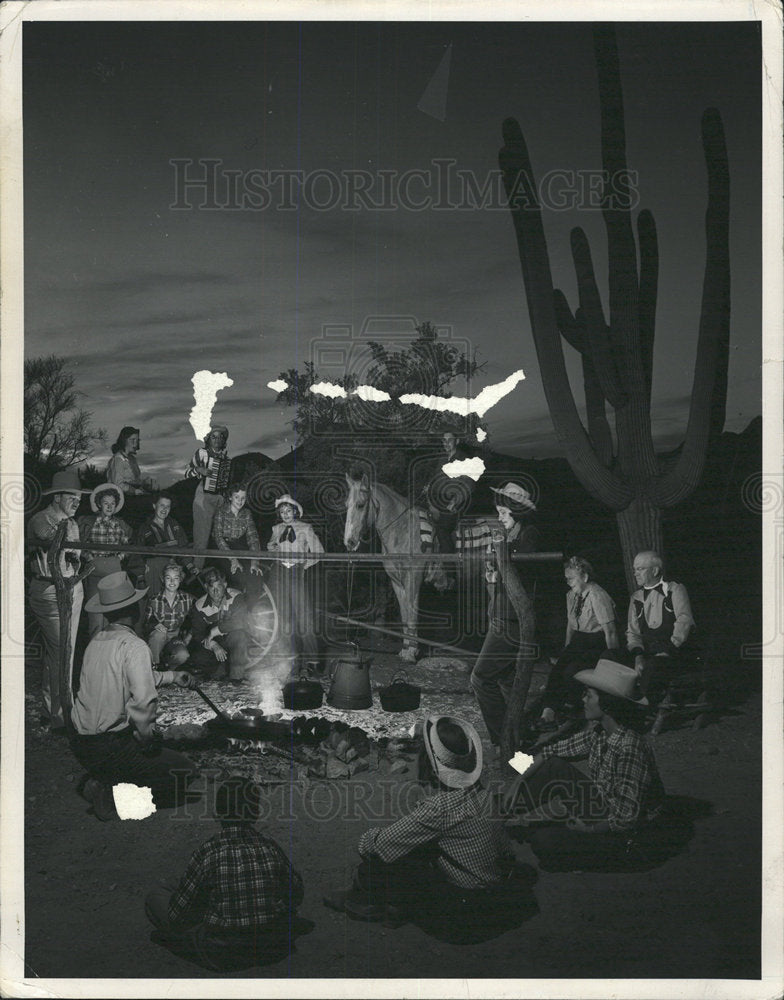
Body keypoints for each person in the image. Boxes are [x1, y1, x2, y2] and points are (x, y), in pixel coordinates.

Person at [324, 715, 534, 942]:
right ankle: (383, 902)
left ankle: (367, 900)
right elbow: (504, 851)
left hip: (462, 914)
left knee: (394, 856)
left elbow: (377, 846)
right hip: (493, 897)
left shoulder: (439, 808)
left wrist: (371, 838)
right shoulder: (484, 795)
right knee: (422, 845)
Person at [504, 658, 665, 872]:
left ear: (607, 705)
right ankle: (500, 815)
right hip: (603, 805)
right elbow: (550, 751)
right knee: (552, 765)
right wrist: (518, 780)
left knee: (544, 842)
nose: (583, 699)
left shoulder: (629, 750)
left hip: (625, 837)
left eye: (588, 695)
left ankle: (592, 856)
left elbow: (626, 820)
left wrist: (588, 830)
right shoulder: (600, 733)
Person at [70, 571, 198, 820]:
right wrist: (148, 740)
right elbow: (143, 702)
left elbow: (128, 677)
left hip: (81, 743)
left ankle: (103, 778)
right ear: (135, 609)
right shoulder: (135, 646)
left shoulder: (96, 641)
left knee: (145, 759)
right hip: (109, 745)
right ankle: (111, 798)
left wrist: (173, 677)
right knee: (185, 771)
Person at [145, 776, 307, 972]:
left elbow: (177, 916)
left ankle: (188, 941)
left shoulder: (209, 852)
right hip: (272, 946)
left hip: (222, 952)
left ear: (217, 814)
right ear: (255, 814)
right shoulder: (270, 847)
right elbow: (296, 893)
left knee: (156, 897)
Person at [470, 483, 540, 748]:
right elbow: (500, 581)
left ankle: (503, 738)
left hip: (513, 620)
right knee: (508, 681)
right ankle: (518, 735)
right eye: (498, 512)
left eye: (504, 513)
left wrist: (502, 555)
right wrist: (492, 575)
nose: (500, 518)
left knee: (480, 678)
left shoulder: (528, 535)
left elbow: (523, 566)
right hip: (500, 615)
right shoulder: (508, 539)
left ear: (517, 513)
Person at [26, 468, 88, 734]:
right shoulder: (41, 519)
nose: (78, 501)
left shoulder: (72, 522)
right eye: (73, 496)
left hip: (73, 587)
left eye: (79, 497)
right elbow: (54, 541)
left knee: (64, 651)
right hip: (50, 591)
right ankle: (62, 715)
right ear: (57, 497)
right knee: (62, 649)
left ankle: (54, 710)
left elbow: (76, 555)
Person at [537, 556, 618, 729]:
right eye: (566, 578)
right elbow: (570, 626)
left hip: (597, 642)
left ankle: (570, 709)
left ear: (585, 577)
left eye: (571, 578)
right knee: (558, 669)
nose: (568, 582)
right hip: (579, 641)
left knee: (572, 671)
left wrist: (613, 659)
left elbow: (610, 631)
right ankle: (548, 713)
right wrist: (567, 649)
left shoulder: (598, 595)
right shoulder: (571, 596)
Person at [267, 494, 324, 668]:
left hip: (296, 572)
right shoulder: (276, 529)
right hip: (278, 572)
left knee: (304, 615)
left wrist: (303, 566)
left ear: (295, 512)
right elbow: (270, 548)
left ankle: (312, 660)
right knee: (282, 616)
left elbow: (318, 552)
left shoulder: (305, 528)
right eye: (282, 511)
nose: (285, 514)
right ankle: (286, 658)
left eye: (288, 510)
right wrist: (271, 548)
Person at [626, 550, 695, 694]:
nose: (635, 573)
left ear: (655, 570)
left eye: (640, 569)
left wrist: (667, 651)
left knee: (653, 667)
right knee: (610, 658)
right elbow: (633, 632)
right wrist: (638, 656)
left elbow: (685, 622)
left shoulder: (675, 590)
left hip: (672, 653)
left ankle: (643, 708)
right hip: (647, 653)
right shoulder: (636, 598)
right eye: (634, 569)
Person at [78, 484, 133, 636]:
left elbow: (127, 545)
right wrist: (88, 557)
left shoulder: (120, 525)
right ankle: (93, 652)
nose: (109, 506)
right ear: (99, 504)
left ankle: (109, 652)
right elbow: (79, 543)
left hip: (114, 571)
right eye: (105, 503)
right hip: (94, 570)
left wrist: (120, 557)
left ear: (116, 506)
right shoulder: (89, 523)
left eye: (112, 504)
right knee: (95, 615)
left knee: (112, 613)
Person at [186, 566, 249, 682]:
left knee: (239, 636)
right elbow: (198, 634)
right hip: (215, 643)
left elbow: (242, 622)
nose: (215, 592)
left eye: (219, 587)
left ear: (225, 585)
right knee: (197, 660)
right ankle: (216, 675)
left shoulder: (236, 597)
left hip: (233, 640)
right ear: (206, 587)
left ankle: (236, 679)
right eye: (211, 588)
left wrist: (215, 630)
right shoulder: (199, 606)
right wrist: (214, 645)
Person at [133, 491, 197, 600]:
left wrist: (191, 567)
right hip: (153, 572)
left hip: (173, 571)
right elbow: (137, 555)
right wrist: (141, 577)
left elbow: (183, 547)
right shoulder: (145, 528)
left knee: (172, 602)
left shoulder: (174, 525)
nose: (164, 509)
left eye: (168, 506)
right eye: (162, 505)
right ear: (154, 506)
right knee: (154, 603)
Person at [185, 425, 231, 570]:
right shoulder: (202, 453)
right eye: (214, 436)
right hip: (203, 497)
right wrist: (199, 470)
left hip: (220, 498)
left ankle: (221, 569)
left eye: (220, 437)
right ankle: (196, 570)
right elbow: (186, 473)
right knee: (202, 536)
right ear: (208, 439)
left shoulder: (225, 457)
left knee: (221, 534)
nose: (217, 440)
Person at [424, 432, 475, 555]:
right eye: (444, 440)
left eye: (449, 440)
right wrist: (429, 486)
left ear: (456, 441)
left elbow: (469, 484)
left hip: (456, 504)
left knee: (442, 530)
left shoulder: (464, 459)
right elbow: (436, 478)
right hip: (439, 501)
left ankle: (449, 569)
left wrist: (455, 501)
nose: (446, 443)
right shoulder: (443, 459)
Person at [211, 482, 263, 600]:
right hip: (221, 549)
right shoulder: (221, 512)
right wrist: (233, 560)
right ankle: (234, 606)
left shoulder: (247, 514)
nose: (240, 501)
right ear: (230, 497)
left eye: (243, 498)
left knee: (256, 576)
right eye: (237, 497)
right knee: (237, 575)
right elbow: (218, 538)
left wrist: (254, 561)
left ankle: (249, 610)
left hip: (239, 546)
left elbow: (253, 538)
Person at [143, 563, 194, 666]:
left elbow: (195, 620)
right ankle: (154, 668)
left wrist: (189, 636)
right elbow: (146, 623)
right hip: (158, 637)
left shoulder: (188, 599)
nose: (172, 582)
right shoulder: (154, 599)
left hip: (175, 636)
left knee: (183, 655)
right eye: (168, 578)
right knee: (158, 635)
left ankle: (169, 672)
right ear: (163, 579)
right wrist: (154, 624)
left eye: (175, 578)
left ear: (180, 580)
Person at [106, 425, 147, 495]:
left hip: (132, 495)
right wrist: (134, 491)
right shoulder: (118, 458)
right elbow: (118, 484)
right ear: (124, 440)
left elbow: (135, 480)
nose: (135, 443)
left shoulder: (132, 459)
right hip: (119, 496)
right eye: (132, 440)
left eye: (137, 440)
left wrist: (141, 487)